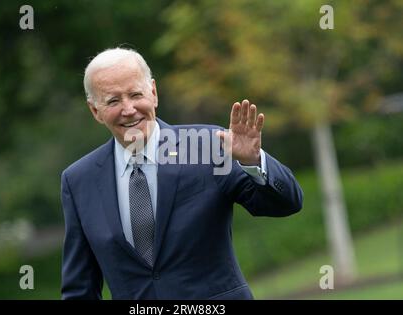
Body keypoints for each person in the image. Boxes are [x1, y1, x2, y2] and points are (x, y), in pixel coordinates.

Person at [60, 47, 303, 300]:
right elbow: (80, 288)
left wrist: (253, 161)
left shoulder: (208, 146)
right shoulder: (78, 180)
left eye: (135, 94)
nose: (128, 109)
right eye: (113, 101)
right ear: (95, 111)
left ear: (153, 93)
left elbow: (286, 203)